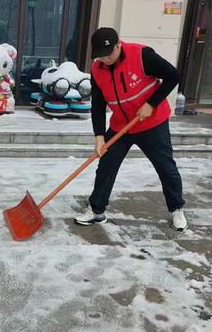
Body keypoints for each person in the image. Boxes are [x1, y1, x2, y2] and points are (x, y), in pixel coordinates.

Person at [75, 27, 187, 231]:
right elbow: (98, 104)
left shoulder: (142, 55)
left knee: (165, 167)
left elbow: (173, 75)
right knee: (106, 166)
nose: (106, 59)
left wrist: (151, 103)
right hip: (121, 126)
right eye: (101, 56)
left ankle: (176, 209)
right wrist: (99, 135)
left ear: (118, 44)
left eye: (109, 54)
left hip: (152, 123)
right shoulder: (97, 69)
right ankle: (97, 210)